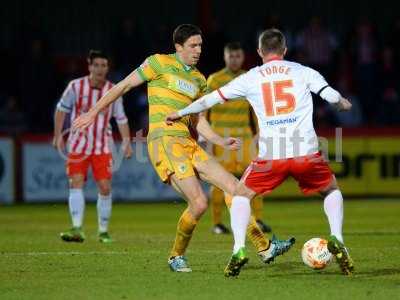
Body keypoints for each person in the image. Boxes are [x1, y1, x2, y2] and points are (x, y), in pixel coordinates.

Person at [72, 25, 294, 273]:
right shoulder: (158, 63)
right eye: (193, 45)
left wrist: (220, 141)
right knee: (199, 203)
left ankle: (264, 248)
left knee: (236, 188)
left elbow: (199, 121)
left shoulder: (199, 79)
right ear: (178, 47)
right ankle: (176, 256)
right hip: (164, 140)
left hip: (188, 143)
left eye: (200, 45)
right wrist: (93, 112)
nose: (198, 50)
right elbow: (122, 86)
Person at [166, 28, 354, 277]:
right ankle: (337, 237)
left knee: (241, 195)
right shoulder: (303, 71)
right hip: (305, 153)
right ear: (285, 50)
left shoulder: (251, 77)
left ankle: (238, 249)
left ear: (259, 52)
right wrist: (342, 103)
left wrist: (180, 113)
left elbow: (209, 100)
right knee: (330, 189)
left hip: (271, 157)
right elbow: (330, 95)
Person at [53, 50, 132, 243]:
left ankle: (103, 231)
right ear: (89, 66)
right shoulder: (75, 86)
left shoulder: (114, 90)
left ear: (107, 68)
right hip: (78, 145)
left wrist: (127, 143)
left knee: (105, 187)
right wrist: (57, 135)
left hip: (102, 146)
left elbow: (121, 119)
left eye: (103, 65)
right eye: (96, 65)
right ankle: (77, 228)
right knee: (76, 182)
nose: (99, 69)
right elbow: (61, 110)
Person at [206, 42, 272, 234]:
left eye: (238, 56)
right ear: (225, 57)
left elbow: (258, 108)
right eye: (231, 56)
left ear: (243, 58)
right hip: (221, 140)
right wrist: (208, 141)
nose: (234, 60)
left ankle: (258, 220)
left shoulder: (249, 79)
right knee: (219, 181)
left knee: (255, 179)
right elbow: (204, 113)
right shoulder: (214, 80)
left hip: (245, 139)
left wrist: (260, 133)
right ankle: (217, 223)